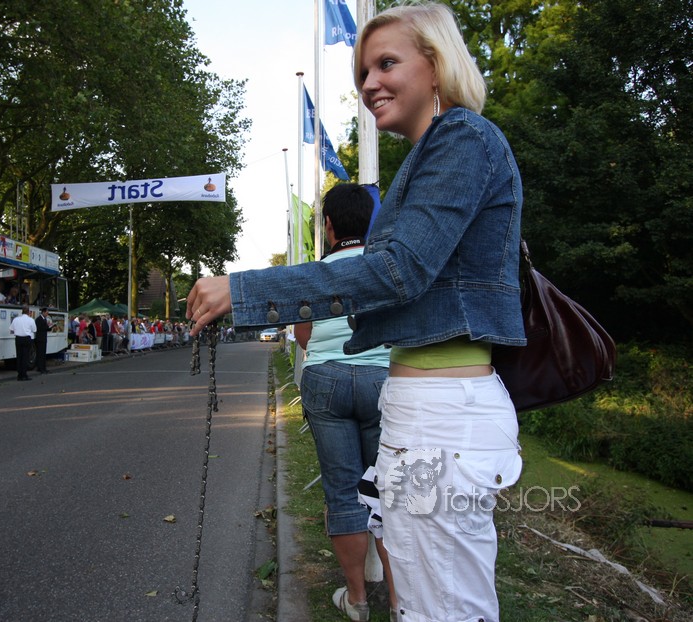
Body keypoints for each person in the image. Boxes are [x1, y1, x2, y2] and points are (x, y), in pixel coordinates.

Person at [186, 3, 525, 621]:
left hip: (445, 418)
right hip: (418, 407)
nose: (369, 83)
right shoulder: (431, 153)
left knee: (447, 608)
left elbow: (397, 270)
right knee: (420, 603)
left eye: (386, 63)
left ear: (437, 64)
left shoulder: (463, 138)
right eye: (363, 72)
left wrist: (245, 291)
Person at [294, 184, 396, 621]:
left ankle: (356, 600)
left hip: (326, 379)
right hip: (383, 380)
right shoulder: (387, 266)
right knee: (388, 491)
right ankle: (398, 602)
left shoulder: (313, 274)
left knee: (343, 492)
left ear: (328, 225)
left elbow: (303, 335)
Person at [9, 305, 36, 381]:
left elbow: (11, 329)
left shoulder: (16, 319)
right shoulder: (31, 320)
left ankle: (19, 375)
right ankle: (24, 375)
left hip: (18, 339)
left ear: (22, 311)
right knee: (25, 357)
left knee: (19, 357)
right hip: (26, 338)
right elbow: (34, 330)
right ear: (28, 312)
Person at [34, 307, 52, 374]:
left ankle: (42, 367)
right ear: (43, 312)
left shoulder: (44, 319)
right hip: (40, 339)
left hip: (43, 338)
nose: (47, 314)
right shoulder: (38, 319)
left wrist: (50, 327)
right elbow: (39, 328)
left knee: (43, 354)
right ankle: (41, 368)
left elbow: (46, 328)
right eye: (47, 313)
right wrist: (46, 327)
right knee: (40, 354)